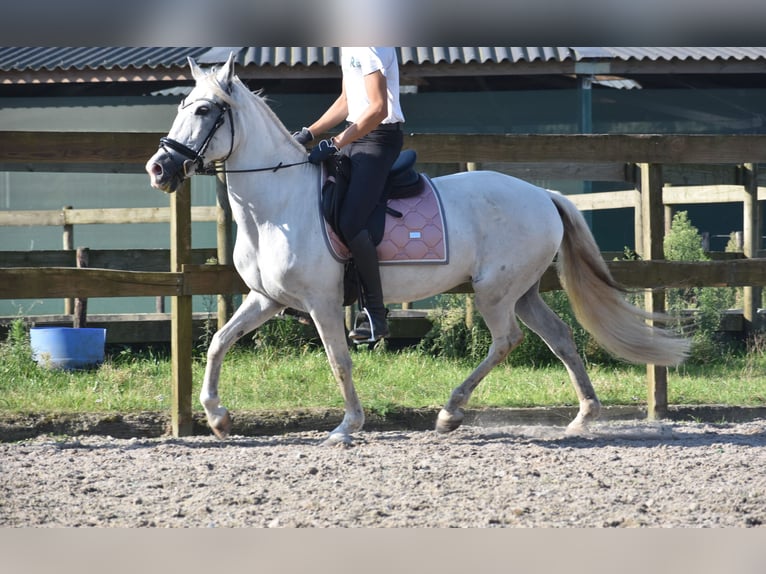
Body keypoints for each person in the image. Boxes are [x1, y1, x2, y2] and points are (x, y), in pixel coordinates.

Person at [294, 47, 405, 342]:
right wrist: (309, 132)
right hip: (355, 135)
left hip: (379, 139)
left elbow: (379, 107)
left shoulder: (370, 45)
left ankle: (375, 315)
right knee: (323, 204)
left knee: (352, 220)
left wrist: (335, 143)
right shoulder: (349, 46)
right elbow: (347, 101)